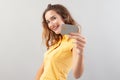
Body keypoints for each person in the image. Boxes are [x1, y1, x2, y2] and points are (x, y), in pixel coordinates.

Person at [35, 4, 86, 80]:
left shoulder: (73, 41)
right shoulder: (56, 42)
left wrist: (80, 53)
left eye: (54, 18)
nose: (51, 24)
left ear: (64, 17)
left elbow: (77, 75)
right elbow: (43, 68)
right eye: (48, 22)